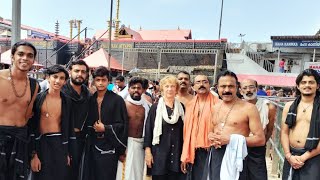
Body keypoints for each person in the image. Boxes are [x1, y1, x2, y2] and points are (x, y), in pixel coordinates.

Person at [203, 70, 265, 180]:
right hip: (216, 156)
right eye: (223, 86)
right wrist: (210, 136)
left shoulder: (249, 108)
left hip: (236, 157)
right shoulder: (215, 107)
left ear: (237, 87)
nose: (227, 90)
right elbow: (211, 132)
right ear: (217, 87)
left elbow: (260, 139)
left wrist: (231, 140)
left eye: (231, 86)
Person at [0, 41, 39, 180]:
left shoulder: (34, 85)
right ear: (12, 57)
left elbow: (28, 117)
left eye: (30, 55)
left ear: (33, 60)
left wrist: (33, 151)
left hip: (20, 140)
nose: (25, 58)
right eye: (20, 54)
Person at [81, 66, 128, 180]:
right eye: (98, 80)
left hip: (109, 147)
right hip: (92, 146)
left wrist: (105, 128)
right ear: (93, 81)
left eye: (104, 80)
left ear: (109, 81)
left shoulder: (117, 100)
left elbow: (123, 125)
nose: (101, 83)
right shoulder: (90, 99)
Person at [29, 65, 74, 180]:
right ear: (48, 77)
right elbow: (32, 127)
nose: (58, 81)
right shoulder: (38, 99)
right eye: (55, 77)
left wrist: (68, 153)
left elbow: (69, 127)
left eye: (62, 78)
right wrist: (33, 155)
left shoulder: (67, 101)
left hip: (60, 144)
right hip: (42, 144)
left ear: (65, 81)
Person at [281, 69, 320, 180]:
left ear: (317, 86)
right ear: (298, 86)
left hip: (313, 156)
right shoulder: (289, 106)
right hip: (291, 155)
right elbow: (284, 132)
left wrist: (304, 157)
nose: (307, 85)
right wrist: (288, 156)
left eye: (311, 82)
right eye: (303, 82)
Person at [144, 75, 185, 180]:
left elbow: (184, 132)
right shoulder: (155, 108)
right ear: (162, 89)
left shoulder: (181, 108)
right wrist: (148, 153)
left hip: (176, 155)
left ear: (176, 89)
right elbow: (148, 131)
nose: (170, 89)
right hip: (159, 155)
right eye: (167, 86)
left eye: (172, 86)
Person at [180, 75, 219, 180]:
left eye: (204, 82)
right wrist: (184, 156)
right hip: (193, 150)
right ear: (193, 86)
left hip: (211, 150)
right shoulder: (190, 104)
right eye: (198, 82)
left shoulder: (218, 104)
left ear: (209, 85)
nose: (201, 84)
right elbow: (186, 132)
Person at [240, 79, 277, 180]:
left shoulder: (268, 107)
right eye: (245, 88)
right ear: (240, 91)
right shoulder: (237, 106)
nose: (248, 90)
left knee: (258, 176)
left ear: (256, 89)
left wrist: (261, 141)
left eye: (251, 87)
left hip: (257, 148)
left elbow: (270, 129)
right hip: (239, 146)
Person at [116, 77, 150, 180]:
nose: (136, 90)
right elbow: (117, 128)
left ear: (143, 90)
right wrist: (120, 150)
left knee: (139, 174)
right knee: (124, 174)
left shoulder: (147, 106)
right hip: (126, 146)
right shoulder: (122, 105)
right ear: (128, 89)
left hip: (141, 146)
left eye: (138, 88)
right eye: (133, 87)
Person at [61, 60, 90, 180]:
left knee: (77, 173)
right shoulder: (61, 91)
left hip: (81, 140)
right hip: (62, 139)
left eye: (83, 72)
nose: (80, 74)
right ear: (70, 72)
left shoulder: (87, 93)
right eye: (77, 71)